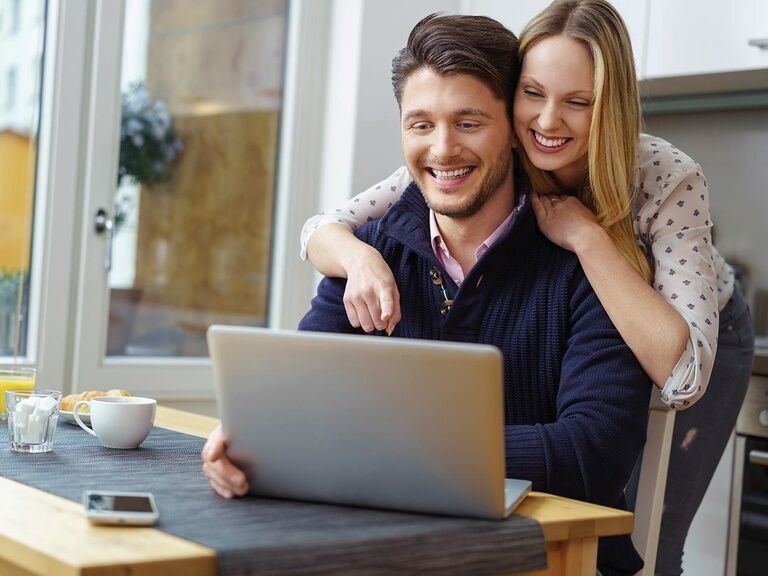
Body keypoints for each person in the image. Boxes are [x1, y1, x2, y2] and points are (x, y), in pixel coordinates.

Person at [299, 1, 754, 574]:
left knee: (652, 533)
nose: (546, 122)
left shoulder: (659, 179)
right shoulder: (439, 173)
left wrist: (590, 242)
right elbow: (325, 230)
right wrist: (356, 260)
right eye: (533, 95)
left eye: (578, 102)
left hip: (693, 321)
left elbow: (674, 380)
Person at [204, 12, 652, 576]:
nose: (442, 150)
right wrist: (250, 441)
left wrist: (391, 452)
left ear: (514, 130)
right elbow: (297, 405)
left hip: (548, 560)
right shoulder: (370, 251)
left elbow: (594, 455)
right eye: (420, 124)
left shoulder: (589, 263)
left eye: (468, 123)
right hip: (391, 554)